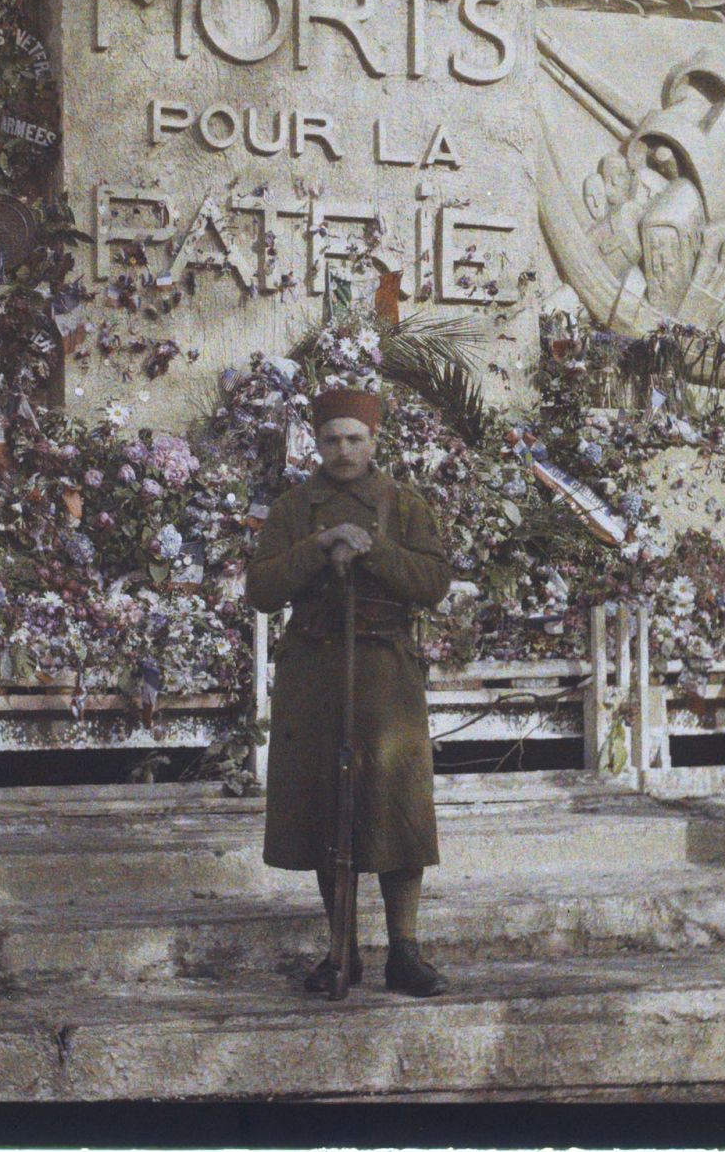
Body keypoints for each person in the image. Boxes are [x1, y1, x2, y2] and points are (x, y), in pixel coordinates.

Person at [246, 386, 454, 997]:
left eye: (354, 439)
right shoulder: (292, 509)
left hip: (386, 675)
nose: (343, 451)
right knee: (323, 808)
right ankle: (341, 952)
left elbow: (433, 581)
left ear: (374, 441)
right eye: (332, 439)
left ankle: (404, 952)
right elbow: (260, 590)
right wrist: (316, 547)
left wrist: (376, 549)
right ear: (317, 441)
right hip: (313, 674)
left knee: (397, 805)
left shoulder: (403, 504)